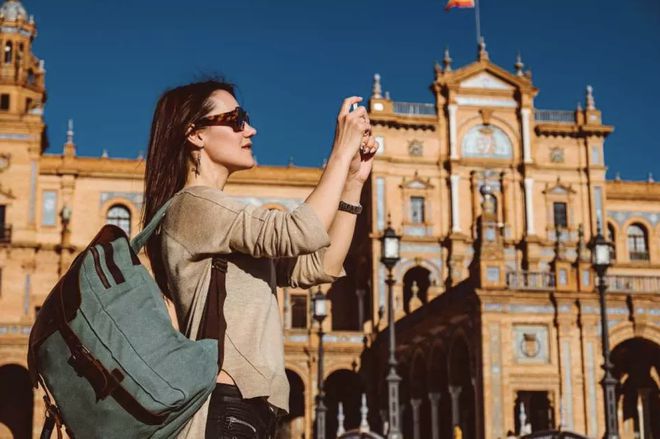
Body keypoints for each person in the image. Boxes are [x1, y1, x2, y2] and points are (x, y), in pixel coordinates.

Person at [141, 79, 376, 438]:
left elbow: (320, 266)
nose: (250, 129)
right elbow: (298, 231)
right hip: (226, 404)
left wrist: (354, 183)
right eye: (235, 119)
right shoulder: (194, 205)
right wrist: (341, 153)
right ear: (195, 135)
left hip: (248, 406)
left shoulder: (217, 215)